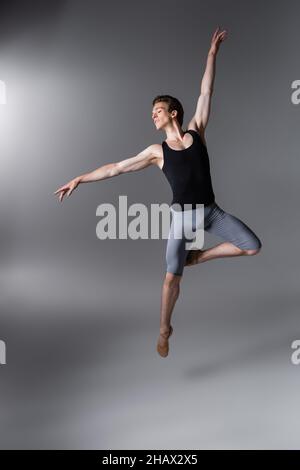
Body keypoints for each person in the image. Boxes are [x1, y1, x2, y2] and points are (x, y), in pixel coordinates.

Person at [54, 27, 262, 359]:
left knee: (251, 246)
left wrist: (212, 55)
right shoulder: (157, 151)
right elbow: (116, 168)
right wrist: (80, 178)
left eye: (158, 110)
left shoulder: (196, 131)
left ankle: (198, 257)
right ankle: (164, 330)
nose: (153, 115)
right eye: (152, 112)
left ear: (173, 113)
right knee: (170, 282)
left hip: (211, 212)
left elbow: (206, 92)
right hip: (181, 220)